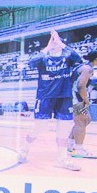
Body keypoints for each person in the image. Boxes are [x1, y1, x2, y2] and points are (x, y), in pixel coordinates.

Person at [19, 29, 86, 172]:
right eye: (53, 40)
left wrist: (61, 44)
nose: (55, 42)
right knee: (39, 127)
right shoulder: (43, 59)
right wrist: (48, 47)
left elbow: (78, 58)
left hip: (64, 97)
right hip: (45, 97)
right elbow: (31, 62)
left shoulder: (67, 58)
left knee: (64, 130)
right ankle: (24, 149)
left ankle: (62, 159)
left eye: (57, 40)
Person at [68, 49, 97, 160]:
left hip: (75, 98)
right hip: (77, 99)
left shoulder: (83, 67)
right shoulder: (87, 69)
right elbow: (80, 86)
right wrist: (86, 100)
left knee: (85, 120)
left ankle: (70, 145)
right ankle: (78, 150)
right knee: (81, 121)